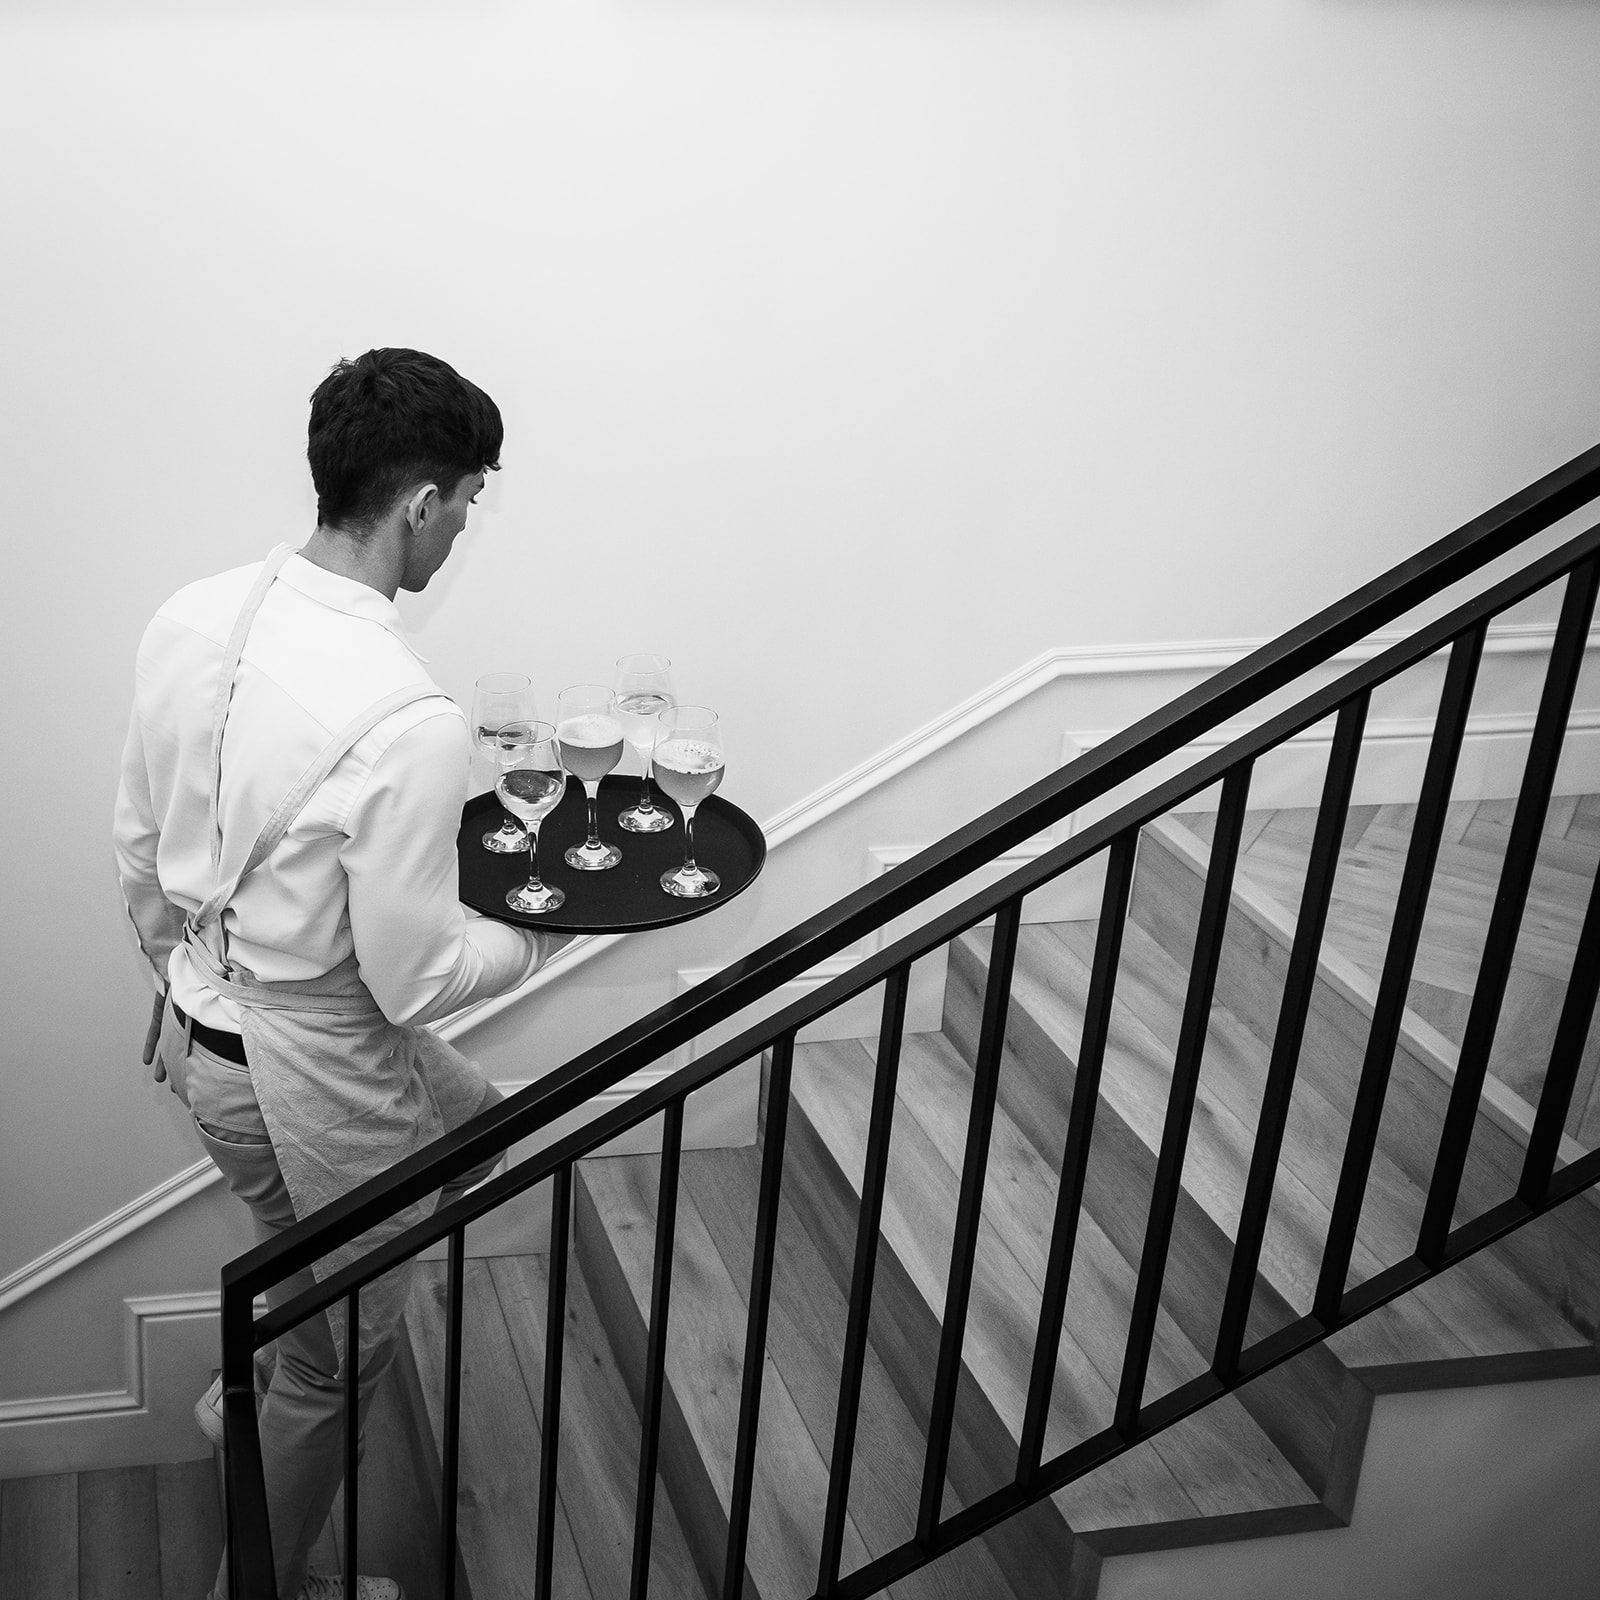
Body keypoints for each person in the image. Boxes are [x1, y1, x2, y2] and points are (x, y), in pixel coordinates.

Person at [114, 348, 563, 1600]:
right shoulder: (411, 718)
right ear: (421, 501)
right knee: (337, 1351)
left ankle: (255, 1388)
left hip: (210, 1040)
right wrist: (545, 932)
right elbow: (413, 979)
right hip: (307, 1062)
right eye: (470, 496)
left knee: (474, 1129)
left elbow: (138, 849)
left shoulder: (192, 613)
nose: (468, 523)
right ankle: (258, 1583)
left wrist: (192, 986)